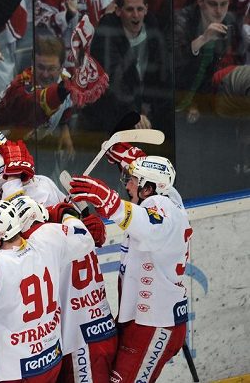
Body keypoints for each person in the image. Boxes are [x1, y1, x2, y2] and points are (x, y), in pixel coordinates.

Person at [68, 144, 191, 382]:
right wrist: (129, 157)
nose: (126, 184)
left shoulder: (161, 210)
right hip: (143, 321)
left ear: (148, 188)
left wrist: (107, 199)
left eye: (132, 180)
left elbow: (147, 224)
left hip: (154, 324)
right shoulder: (167, 198)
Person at [0, 199, 92, 382]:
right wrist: (65, 214)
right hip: (51, 359)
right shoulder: (47, 240)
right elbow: (84, 238)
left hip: (15, 371)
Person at [14, 196, 116, 382]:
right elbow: (92, 233)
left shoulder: (38, 242)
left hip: (79, 341)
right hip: (101, 328)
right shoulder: (76, 228)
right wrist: (68, 212)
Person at [90, 0, 170, 134]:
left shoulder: (152, 24)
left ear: (146, 9)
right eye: (129, 10)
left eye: (140, 9)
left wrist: (150, 108)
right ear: (118, 11)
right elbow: (113, 79)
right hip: (113, 112)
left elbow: (162, 72)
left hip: (146, 109)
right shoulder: (107, 29)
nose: (136, 15)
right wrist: (133, 112)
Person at [0, 36, 75, 155]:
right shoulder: (20, 87)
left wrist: (64, 129)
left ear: (61, 68)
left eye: (51, 69)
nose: (45, 75)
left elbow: (67, 105)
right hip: (6, 147)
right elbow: (38, 104)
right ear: (33, 64)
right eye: (40, 67)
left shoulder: (65, 80)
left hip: (41, 146)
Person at [174, 0, 240, 123]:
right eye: (213, 4)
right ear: (200, 1)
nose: (219, 11)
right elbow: (173, 63)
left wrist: (195, 102)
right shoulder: (181, 20)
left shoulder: (228, 22)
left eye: (223, 4)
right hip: (168, 102)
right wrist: (204, 39)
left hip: (194, 105)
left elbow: (209, 71)